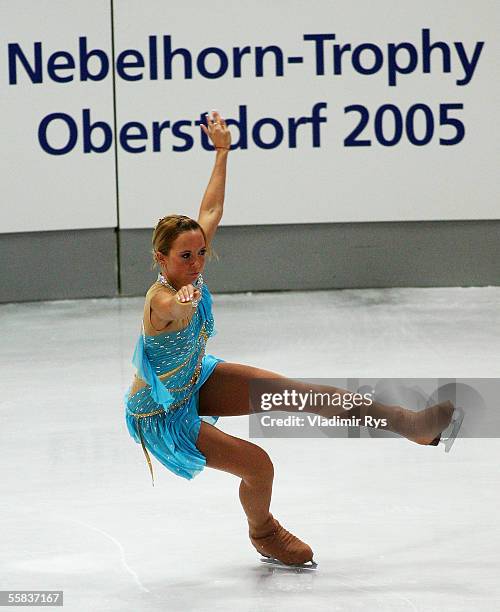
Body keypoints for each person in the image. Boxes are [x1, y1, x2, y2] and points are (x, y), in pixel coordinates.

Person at [124, 110, 463, 569]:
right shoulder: (160, 300)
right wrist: (185, 297)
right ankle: (263, 532)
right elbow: (177, 310)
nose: (198, 262)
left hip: (194, 378)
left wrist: (222, 151)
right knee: (258, 465)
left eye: (201, 252)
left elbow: (211, 210)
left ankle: (413, 426)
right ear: (160, 259)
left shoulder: (190, 268)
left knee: (295, 392)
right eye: (185, 256)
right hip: (161, 412)